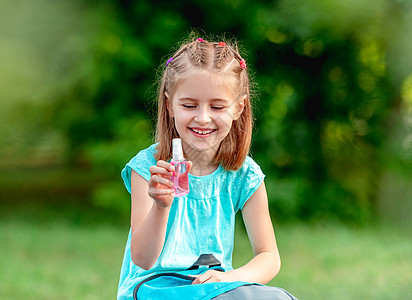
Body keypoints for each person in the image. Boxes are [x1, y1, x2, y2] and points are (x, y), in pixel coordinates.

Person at [117, 35, 298, 300]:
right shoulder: (148, 169)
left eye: (217, 106)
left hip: (217, 287)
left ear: (238, 107)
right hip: (154, 288)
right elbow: (143, 260)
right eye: (189, 105)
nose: (203, 118)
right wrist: (161, 206)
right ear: (169, 105)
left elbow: (269, 257)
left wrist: (229, 278)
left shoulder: (244, 175)